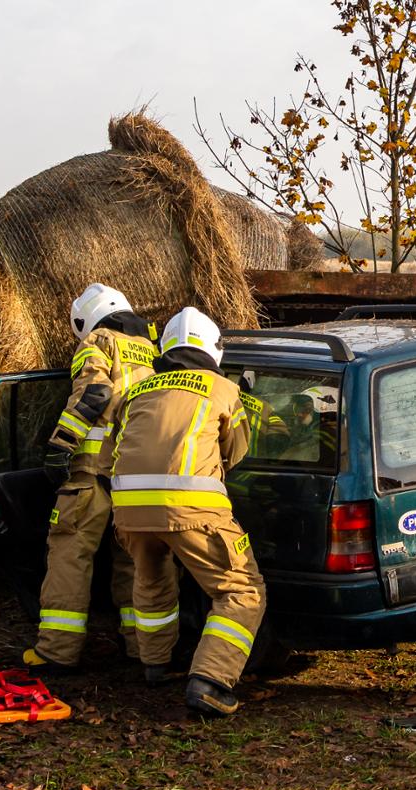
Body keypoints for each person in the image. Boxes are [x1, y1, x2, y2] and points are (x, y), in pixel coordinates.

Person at [110, 307, 263, 716]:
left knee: (151, 579)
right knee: (242, 591)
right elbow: (237, 452)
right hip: (192, 507)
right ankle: (211, 681)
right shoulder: (222, 389)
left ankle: (155, 664)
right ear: (214, 350)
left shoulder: (137, 390)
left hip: (128, 509)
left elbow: (116, 446)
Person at [23, 283, 156, 678]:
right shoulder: (152, 349)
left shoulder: (97, 341)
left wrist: (61, 445)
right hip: (137, 472)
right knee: (133, 561)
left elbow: (94, 393)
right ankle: (142, 648)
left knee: (69, 553)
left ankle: (57, 651)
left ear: (84, 319)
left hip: (93, 471)